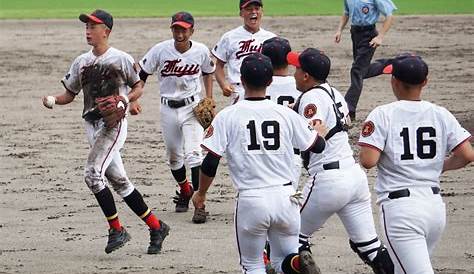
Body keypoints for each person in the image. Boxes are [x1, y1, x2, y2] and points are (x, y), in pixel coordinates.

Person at [42, 9, 169, 254]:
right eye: (86, 27)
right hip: (91, 124)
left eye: (93, 26)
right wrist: (53, 99)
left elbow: (138, 86)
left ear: (106, 31)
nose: (88, 31)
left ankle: (117, 229)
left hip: (113, 125)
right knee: (120, 182)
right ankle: (156, 226)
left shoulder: (120, 58)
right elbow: (70, 93)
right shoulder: (81, 62)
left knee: (92, 174)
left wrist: (124, 100)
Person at [192, 53, 326, 274]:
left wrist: (201, 193)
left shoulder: (228, 115)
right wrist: (317, 132)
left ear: (242, 81)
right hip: (287, 198)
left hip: (252, 200)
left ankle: (291, 263)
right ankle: (295, 263)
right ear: (270, 81)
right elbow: (318, 146)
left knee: (252, 264)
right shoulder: (286, 114)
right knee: (283, 259)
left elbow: (210, 162)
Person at [358, 54, 473, 273]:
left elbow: (368, 160)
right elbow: (467, 155)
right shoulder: (441, 114)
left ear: (394, 82)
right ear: (425, 82)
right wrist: (439, 166)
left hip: (401, 213)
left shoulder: (383, 113)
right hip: (434, 210)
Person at [287, 48, 394, 273]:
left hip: (328, 181)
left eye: (297, 69)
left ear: (306, 75)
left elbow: (314, 134)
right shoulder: (333, 93)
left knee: (289, 237)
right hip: (354, 178)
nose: (294, 73)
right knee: (369, 246)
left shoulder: (311, 97)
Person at [138, 12, 215, 215]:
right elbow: (143, 73)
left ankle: (199, 203)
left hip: (192, 109)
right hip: (168, 109)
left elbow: (208, 72)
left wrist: (209, 97)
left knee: (194, 154)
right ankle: (185, 189)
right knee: (174, 157)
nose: (179, 32)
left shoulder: (200, 51)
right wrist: (135, 98)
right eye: (176, 28)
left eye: (183, 29)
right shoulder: (160, 50)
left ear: (191, 30)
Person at [334, 0, 397, 120]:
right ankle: (392, 63)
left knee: (356, 71)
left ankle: (348, 109)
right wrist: (339, 30)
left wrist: (380, 37)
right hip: (355, 34)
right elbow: (346, 13)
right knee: (362, 71)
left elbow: (389, 16)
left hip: (369, 35)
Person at [212, 0, 276, 105]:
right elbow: (218, 65)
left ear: (262, 12)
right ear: (241, 13)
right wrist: (224, 85)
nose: (253, 12)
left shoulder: (271, 38)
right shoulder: (229, 37)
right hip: (238, 90)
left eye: (257, 8)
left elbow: (277, 68)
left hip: (265, 90)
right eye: (249, 9)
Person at [261, 36, 302, 187]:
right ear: (288, 60)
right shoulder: (300, 86)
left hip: (258, 155)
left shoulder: (257, 86)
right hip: (290, 156)